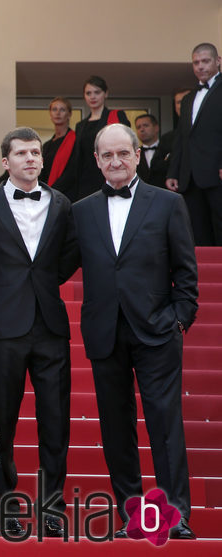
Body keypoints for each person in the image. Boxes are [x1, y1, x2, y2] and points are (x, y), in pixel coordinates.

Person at [74, 123, 197, 540]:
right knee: (115, 426)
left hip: (157, 330)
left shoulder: (167, 203)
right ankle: (133, 515)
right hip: (105, 331)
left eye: (122, 153)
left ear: (137, 154)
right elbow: (51, 260)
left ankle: (174, 514)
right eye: (106, 155)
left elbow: (186, 272)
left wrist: (179, 318)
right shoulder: (82, 209)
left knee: (165, 424)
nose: (115, 162)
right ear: (96, 160)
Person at [0, 127, 78, 538]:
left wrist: (41, 286)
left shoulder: (62, 205)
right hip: (3, 327)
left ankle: (52, 508)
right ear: (5, 162)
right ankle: (5, 505)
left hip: (50, 326)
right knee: (2, 422)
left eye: (35, 152)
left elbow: (65, 261)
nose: (30, 158)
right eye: (21, 153)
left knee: (55, 421)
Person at [167, 43, 222, 245]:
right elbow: (182, 138)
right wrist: (174, 171)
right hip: (190, 177)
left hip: (217, 173)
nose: (200, 66)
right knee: (197, 232)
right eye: (196, 62)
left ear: (218, 61)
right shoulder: (189, 98)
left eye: (205, 61)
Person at [73, 76, 130, 200]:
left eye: (97, 92)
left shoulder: (117, 115)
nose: (92, 97)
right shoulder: (80, 125)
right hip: (85, 181)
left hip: (110, 175)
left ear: (106, 94)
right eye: (88, 93)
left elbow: (128, 145)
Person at [41, 97, 77, 199]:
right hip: (47, 195)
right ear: (50, 114)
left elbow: (71, 173)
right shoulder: (47, 145)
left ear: (69, 114)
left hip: (66, 196)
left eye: (62, 109)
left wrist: (52, 191)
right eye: (54, 109)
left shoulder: (75, 140)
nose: (58, 113)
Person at [134, 114, 170, 189]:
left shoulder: (168, 149)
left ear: (156, 128)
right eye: (138, 127)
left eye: (145, 125)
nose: (142, 129)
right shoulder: (134, 154)